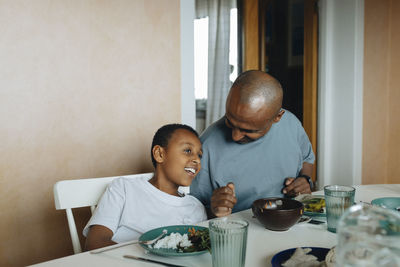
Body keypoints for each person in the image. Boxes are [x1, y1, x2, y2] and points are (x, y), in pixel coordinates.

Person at [190, 70, 315, 218]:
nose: (235, 136)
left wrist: (305, 179)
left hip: (292, 224)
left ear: (277, 117)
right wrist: (214, 209)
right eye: (230, 121)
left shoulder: (291, 124)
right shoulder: (206, 146)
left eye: (248, 130)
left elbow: (307, 159)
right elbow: (193, 211)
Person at [83, 124, 207, 250]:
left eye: (200, 155)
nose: (197, 160)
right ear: (159, 154)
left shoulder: (196, 207)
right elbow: (95, 243)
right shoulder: (124, 188)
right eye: (187, 151)